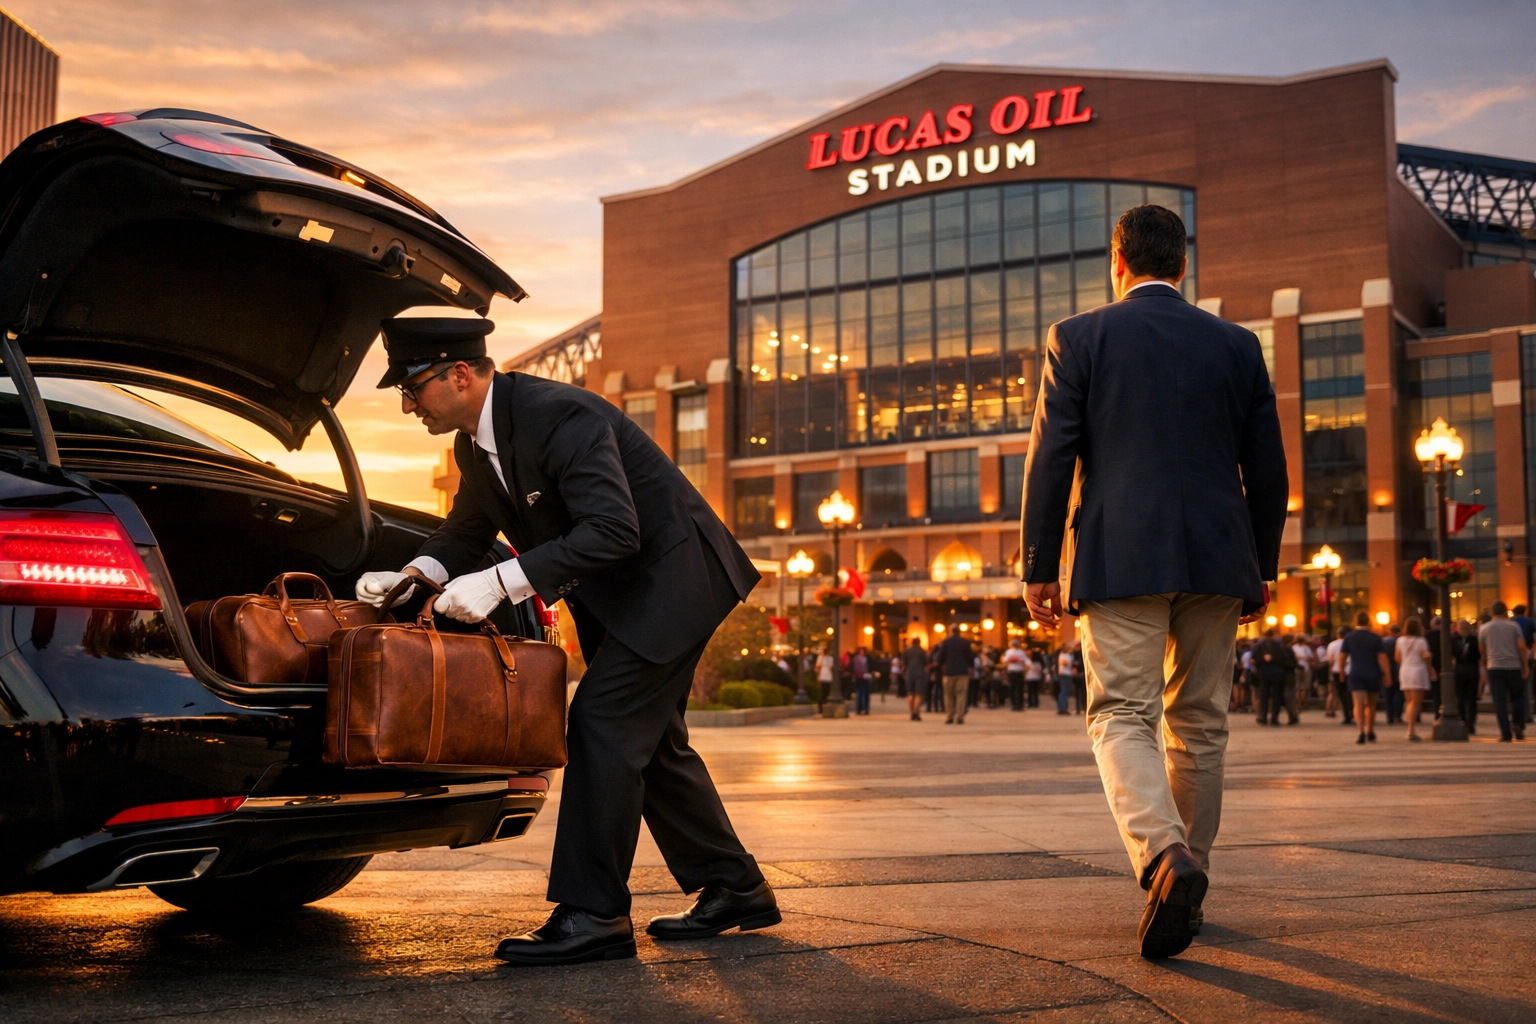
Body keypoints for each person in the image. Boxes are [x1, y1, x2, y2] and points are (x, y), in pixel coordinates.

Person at [351, 318, 776, 966]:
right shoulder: (477, 445)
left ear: (459, 374)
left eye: (413, 387)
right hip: (624, 595)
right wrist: (413, 576)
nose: (408, 405)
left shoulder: (560, 415)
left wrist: (500, 583)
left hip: (676, 580)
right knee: (651, 743)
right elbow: (465, 533)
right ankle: (736, 887)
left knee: (601, 724)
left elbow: (614, 529)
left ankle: (595, 914)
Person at [1021, 204, 1287, 959]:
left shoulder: (1079, 337)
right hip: (1217, 558)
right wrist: (1260, 569)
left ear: (1118, 261)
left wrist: (1040, 565)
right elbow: (1267, 471)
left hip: (1121, 556)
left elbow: (1052, 459)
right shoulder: (1238, 345)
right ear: (1181, 264)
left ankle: (1166, 857)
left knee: (1121, 716)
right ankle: (1190, 879)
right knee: (1201, 723)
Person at [1480, 601, 1530, 742]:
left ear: (1492, 612)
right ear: (1505, 612)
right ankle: (1518, 724)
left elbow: (1482, 650)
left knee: (1499, 701)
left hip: (1494, 666)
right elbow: (1521, 646)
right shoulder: (1514, 626)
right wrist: (1525, 665)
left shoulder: (1484, 628)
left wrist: (1484, 663)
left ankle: (1505, 733)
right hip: (1513, 666)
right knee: (1518, 697)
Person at [1340, 613, 1390, 744]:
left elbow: (1342, 656)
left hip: (1356, 672)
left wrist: (1341, 671)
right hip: (1373, 672)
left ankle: (1361, 731)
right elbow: (1383, 658)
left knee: (1358, 703)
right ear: (1369, 621)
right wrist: (1388, 675)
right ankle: (1370, 730)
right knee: (1371, 704)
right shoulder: (1375, 638)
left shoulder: (1349, 637)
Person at [1395, 616, 1433, 742]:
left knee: (1409, 701)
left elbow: (1397, 658)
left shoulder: (1400, 640)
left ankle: (1410, 728)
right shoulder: (1421, 641)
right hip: (1418, 670)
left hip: (1405, 670)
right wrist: (1430, 669)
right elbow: (1426, 656)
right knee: (1416, 703)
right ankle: (1411, 730)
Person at [1254, 629, 1297, 726]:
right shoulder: (1279, 646)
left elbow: (1254, 659)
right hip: (1277, 672)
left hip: (1264, 672)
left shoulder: (1260, 646)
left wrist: (1263, 661)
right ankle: (1274, 719)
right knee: (1276, 696)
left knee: (1264, 695)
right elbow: (1285, 659)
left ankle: (1263, 718)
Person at [1454, 619, 1481, 733]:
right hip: (1472, 669)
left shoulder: (1454, 640)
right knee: (1471, 699)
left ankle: (1464, 721)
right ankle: (1470, 723)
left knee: (1461, 698)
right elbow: (1478, 655)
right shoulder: (1474, 640)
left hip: (1460, 669)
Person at [903, 637, 929, 722]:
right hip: (919, 673)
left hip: (909, 673)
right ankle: (916, 712)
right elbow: (926, 663)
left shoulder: (907, 650)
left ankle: (911, 712)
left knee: (910, 693)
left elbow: (904, 663)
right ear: (919, 642)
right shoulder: (922, 651)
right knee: (918, 694)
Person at [1382, 622, 1404, 725]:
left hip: (1387, 666)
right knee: (1399, 693)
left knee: (1388, 693)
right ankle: (1398, 715)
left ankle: (1389, 716)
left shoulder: (1384, 641)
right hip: (1399, 667)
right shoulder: (1401, 641)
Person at [1003, 640, 1028, 711]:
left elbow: (1024, 660)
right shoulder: (1009, 652)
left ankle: (1020, 704)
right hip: (1011, 671)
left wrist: (1015, 660)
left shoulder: (1021, 652)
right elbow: (1006, 660)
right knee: (1012, 687)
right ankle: (1014, 704)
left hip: (1019, 671)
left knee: (1019, 688)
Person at [850, 647, 872, 716]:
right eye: (861, 651)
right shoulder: (856, 659)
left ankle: (866, 709)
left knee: (866, 694)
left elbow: (870, 666)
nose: (862, 652)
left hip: (866, 678)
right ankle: (858, 709)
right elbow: (854, 668)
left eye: (863, 651)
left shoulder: (867, 658)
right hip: (858, 678)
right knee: (859, 694)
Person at [1056, 644, 1076, 715]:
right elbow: (1063, 662)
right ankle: (1062, 708)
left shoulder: (1070, 655)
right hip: (1064, 674)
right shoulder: (1063, 655)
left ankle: (1064, 707)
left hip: (1068, 674)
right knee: (1064, 692)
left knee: (1067, 691)